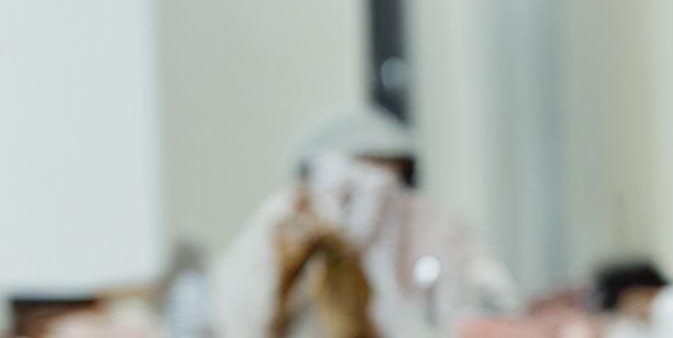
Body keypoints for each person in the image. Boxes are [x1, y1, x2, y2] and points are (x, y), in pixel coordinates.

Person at [210, 107, 522, 338]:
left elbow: (493, 308)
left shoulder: (434, 229)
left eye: (386, 180)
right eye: (348, 186)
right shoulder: (281, 227)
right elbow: (237, 319)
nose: (373, 199)